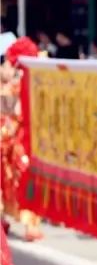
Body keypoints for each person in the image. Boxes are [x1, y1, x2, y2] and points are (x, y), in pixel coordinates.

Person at [0, 38, 43, 241]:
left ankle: (31, 222)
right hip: (6, 141)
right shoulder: (7, 87)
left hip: (27, 141)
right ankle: (3, 216)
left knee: (28, 178)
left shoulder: (35, 83)